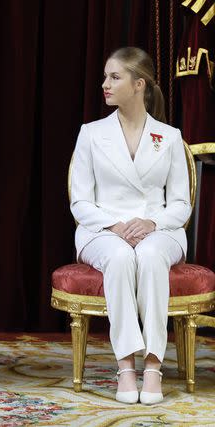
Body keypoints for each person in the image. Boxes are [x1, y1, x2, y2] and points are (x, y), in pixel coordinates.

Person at [70, 47, 191, 405]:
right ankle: (125, 365)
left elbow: (181, 205)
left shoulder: (169, 137)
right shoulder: (90, 133)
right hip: (101, 232)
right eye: (106, 76)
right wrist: (115, 225)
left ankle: (152, 365)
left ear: (139, 84)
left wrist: (152, 221)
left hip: (160, 231)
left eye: (114, 77)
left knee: (152, 257)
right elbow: (80, 201)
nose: (104, 84)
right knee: (121, 258)